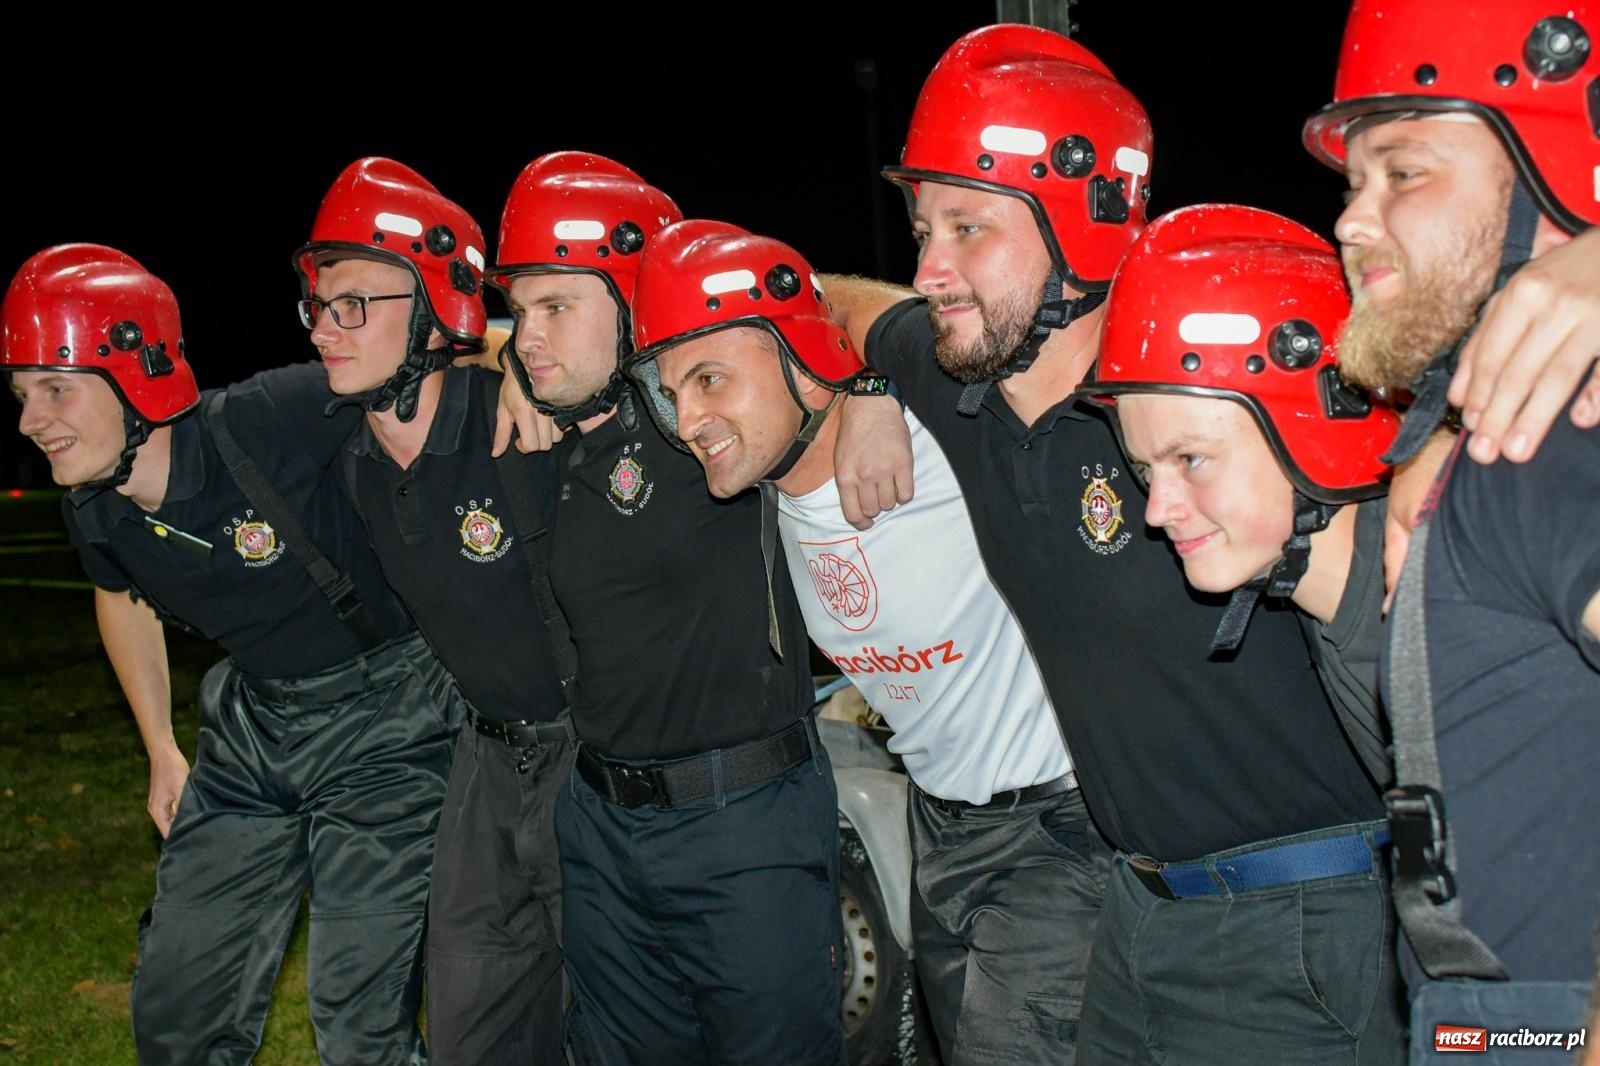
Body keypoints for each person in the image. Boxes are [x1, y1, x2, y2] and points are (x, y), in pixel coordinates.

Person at [821, 25, 1408, 1063]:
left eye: (967, 226)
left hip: (1304, 915)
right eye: (922, 227)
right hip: (1135, 909)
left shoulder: (1222, 406)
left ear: (1079, 221)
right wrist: (869, 382)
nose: (930, 266)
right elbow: (852, 305)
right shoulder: (961, 379)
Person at [624, 218, 1098, 1064]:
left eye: (708, 378)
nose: (687, 417)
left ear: (804, 361)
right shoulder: (756, 499)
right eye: (670, 392)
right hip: (941, 831)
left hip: (1058, 829)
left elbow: (925, 312)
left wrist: (879, 376)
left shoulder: (941, 441)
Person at [2, 243, 453, 1065]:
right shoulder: (95, 509)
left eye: (57, 388)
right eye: (24, 394)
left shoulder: (262, 419)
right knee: (179, 1010)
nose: (32, 420)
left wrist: (526, 385)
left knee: (359, 1025)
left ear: (136, 371)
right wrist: (160, 751)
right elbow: (119, 594)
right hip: (253, 728)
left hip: (391, 724)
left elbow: (418, 353)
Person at [489, 154, 847, 1066]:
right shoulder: (554, 435)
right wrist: (505, 363)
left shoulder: (715, 418)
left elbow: (835, 309)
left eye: (556, 307)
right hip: (602, 824)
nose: (528, 337)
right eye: (520, 310)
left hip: (744, 826)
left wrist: (870, 388)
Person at [1303, 0, 1600, 1055]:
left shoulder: (1556, 427)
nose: (1350, 219)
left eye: (1404, 170)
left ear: (1556, 172)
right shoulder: (1480, 426)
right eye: (1351, 182)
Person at [294, 155, 571, 1064]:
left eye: (355, 305)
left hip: (594, 757)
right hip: (484, 766)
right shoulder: (352, 468)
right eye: (319, 307)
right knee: (468, 1027)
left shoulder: (525, 423)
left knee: (610, 1022)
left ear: (433, 308)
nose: (327, 332)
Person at [1077, 202, 1402, 791]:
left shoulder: (1452, 604)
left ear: (1323, 427)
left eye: (1191, 459)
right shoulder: (1345, 609)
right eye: (1146, 469)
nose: (1156, 510)